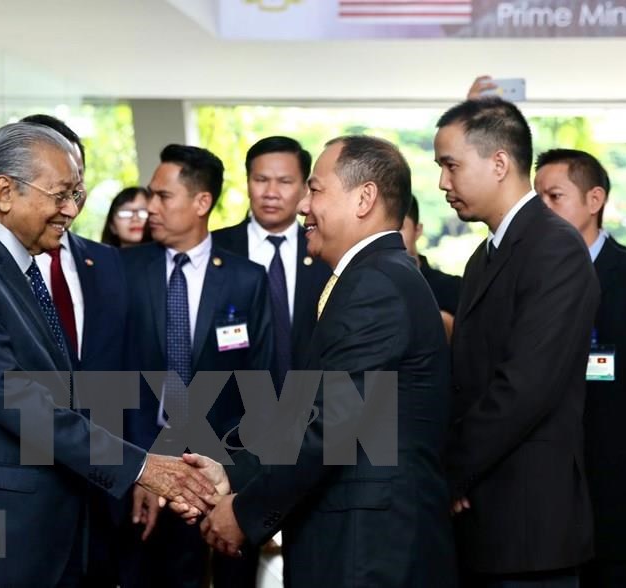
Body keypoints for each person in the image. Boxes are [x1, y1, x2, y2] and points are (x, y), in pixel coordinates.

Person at [0, 122, 216, 588]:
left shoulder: (13, 266)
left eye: (76, 194)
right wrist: (144, 467)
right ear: (5, 191)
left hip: (36, 533)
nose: (71, 210)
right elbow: (20, 401)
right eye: (60, 194)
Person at [188, 135, 457, 587]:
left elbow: (331, 427)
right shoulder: (364, 279)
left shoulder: (376, 285)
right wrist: (232, 472)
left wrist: (245, 511)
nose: (302, 207)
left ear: (364, 198)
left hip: (369, 549)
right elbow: (307, 411)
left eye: (315, 190)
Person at [437, 98, 599, 587]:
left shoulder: (555, 248)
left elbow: (523, 387)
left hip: (530, 526)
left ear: (500, 163)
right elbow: (468, 380)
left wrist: (451, 471)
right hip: (483, 517)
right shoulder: (483, 257)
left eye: (451, 166)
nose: (444, 182)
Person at [121, 144, 274, 588]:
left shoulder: (246, 279)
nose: (150, 207)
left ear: (201, 202)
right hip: (137, 467)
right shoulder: (123, 270)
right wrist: (141, 466)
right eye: (151, 195)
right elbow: (113, 375)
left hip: (216, 471)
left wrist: (237, 474)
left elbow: (259, 386)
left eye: (163, 196)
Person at [21, 114, 137, 588]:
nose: (69, 200)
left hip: (101, 481)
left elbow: (128, 367)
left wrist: (141, 466)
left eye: (76, 185)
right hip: (23, 477)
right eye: (57, 186)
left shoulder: (107, 261)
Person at [210, 134, 329, 587]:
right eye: (261, 179)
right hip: (232, 433)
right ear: (247, 182)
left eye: (285, 181)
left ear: (304, 189)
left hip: (311, 431)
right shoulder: (215, 250)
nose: (272, 191)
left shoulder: (327, 253)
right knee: (230, 562)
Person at [534, 148, 626, 587]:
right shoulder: (528, 277)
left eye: (554, 196)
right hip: (545, 493)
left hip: (619, 489)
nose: (542, 209)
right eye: (536, 198)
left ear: (594, 200)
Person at [399, 195, 462, 340]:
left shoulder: (452, 288)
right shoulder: (368, 288)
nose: (391, 236)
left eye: (399, 227)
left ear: (418, 230)